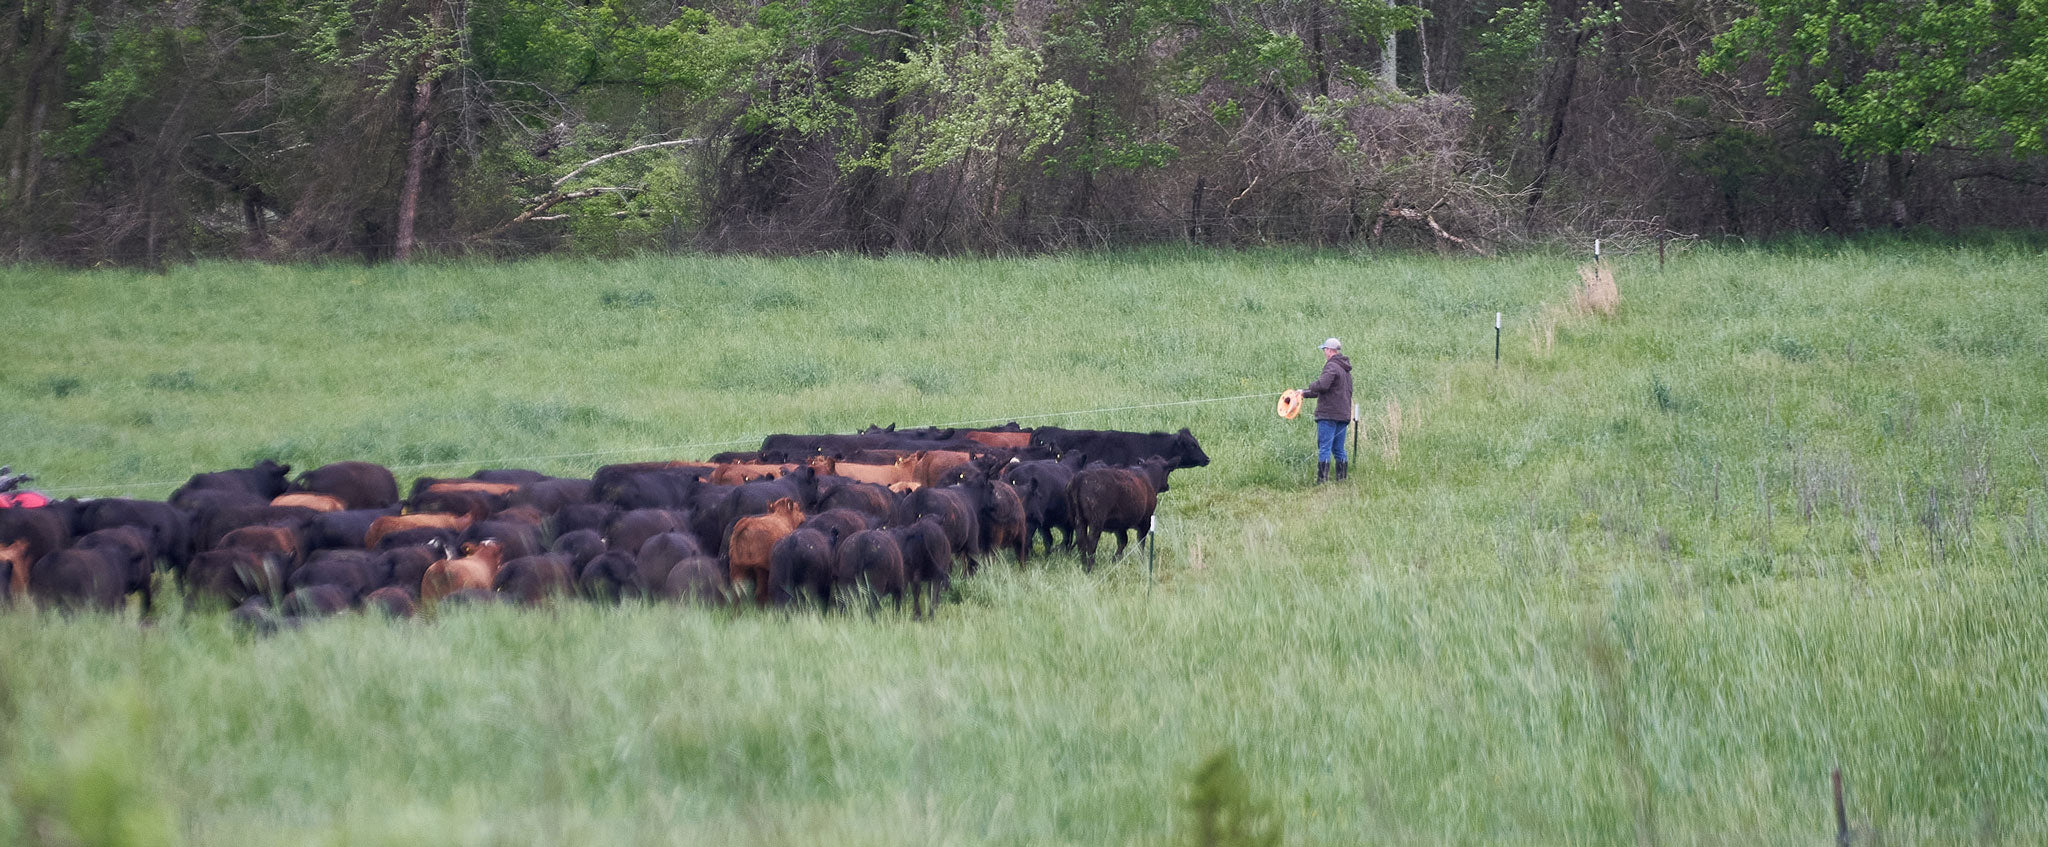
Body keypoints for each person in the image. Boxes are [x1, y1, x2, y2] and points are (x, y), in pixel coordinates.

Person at [1299, 337, 1353, 484]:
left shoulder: (1331, 366)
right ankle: (1342, 480)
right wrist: (1303, 393)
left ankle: (1322, 481)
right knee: (1338, 449)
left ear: (1329, 350)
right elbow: (1326, 390)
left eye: (1324, 350)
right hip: (1343, 415)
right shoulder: (1345, 370)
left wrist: (1311, 385)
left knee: (1324, 447)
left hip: (1328, 414)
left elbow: (1322, 385)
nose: (1324, 352)